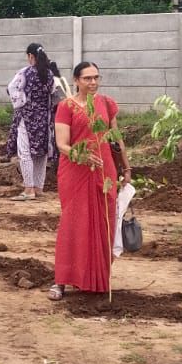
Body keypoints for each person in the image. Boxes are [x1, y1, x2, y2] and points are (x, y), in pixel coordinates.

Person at [50, 61, 129, 300]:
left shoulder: (107, 104)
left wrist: (125, 166)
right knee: (74, 224)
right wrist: (81, 155)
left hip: (104, 172)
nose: (93, 82)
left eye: (96, 77)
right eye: (87, 78)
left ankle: (95, 280)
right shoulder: (67, 106)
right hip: (76, 172)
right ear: (76, 81)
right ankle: (61, 281)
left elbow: (116, 139)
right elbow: (62, 144)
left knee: (104, 223)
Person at [7, 43, 59, 201]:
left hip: (28, 117)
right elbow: (55, 94)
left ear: (30, 56)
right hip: (44, 117)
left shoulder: (26, 72)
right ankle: (38, 187)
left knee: (25, 152)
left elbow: (11, 88)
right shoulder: (50, 74)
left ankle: (28, 189)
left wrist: (21, 103)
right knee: (41, 152)